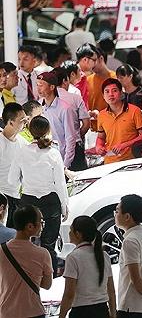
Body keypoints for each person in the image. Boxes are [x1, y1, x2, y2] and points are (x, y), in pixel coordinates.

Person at [8, 115, 69, 274]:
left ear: (30, 130)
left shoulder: (22, 152)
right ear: (48, 130)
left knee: (27, 243)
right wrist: (65, 206)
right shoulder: (53, 153)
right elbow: (60, 184)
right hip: (51, 202)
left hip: (28, 201)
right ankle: (50, 280)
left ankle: (28, 275)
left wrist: (25, 182)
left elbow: (12, 180)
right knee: (49, 245)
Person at [0, 205, 53, 318]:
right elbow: (47, 285)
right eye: (41, 221)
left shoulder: (1, 251)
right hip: (34, 312)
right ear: (30, 226)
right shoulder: (43, 254)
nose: (43, 225)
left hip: (7, 312)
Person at [59, 216, 116, 318]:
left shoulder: (73, 257)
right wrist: (113, 313)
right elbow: (111, 290)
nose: (69, 233)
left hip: (81, 312)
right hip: (102, 310)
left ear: (78, 234)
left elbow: (69, 294)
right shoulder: (104, 256)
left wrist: (61, 315)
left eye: (71, 230)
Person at [96, 78, 142, 164]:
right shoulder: (101, 115)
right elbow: (101, 137)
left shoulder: (134, 111)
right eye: (107, 91)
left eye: (114, 91)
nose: (111, 94)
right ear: (103, 96)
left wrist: (124, 145)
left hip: (131, 161)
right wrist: (98, 146)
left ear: (121, 93)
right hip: (109, 162)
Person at [37, 71, 80, 169]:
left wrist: (65, 164)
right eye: (37, 85)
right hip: (44, 159)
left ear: (52, 87)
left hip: (61, 157)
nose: (38, 88)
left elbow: (70, 138)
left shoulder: (65, 108)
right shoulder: (38, 106)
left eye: (41, 85)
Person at [53, 67, 90, 170]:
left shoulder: (44, 100)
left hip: (54, 147)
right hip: (75, 146)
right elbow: (86, 124)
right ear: (65, 81)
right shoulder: (75, 97)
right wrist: (77, 135)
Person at [0, 103, 27, 229]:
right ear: (10, 122)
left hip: (16, 197)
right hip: (1, 196)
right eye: (22, 120)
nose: (26, 121)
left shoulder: (23, 142)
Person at [87, 45, 116, 130]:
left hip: (111, 129)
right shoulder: (88, 80)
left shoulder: (116, 79)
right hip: (92, 131)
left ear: (101, 59)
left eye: (93, 60)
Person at [75, 43, 99, 107]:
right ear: (85, 60)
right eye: (94, 60)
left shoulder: (68, 70)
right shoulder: (81, 77)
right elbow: (78, 103)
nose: (95, 63)